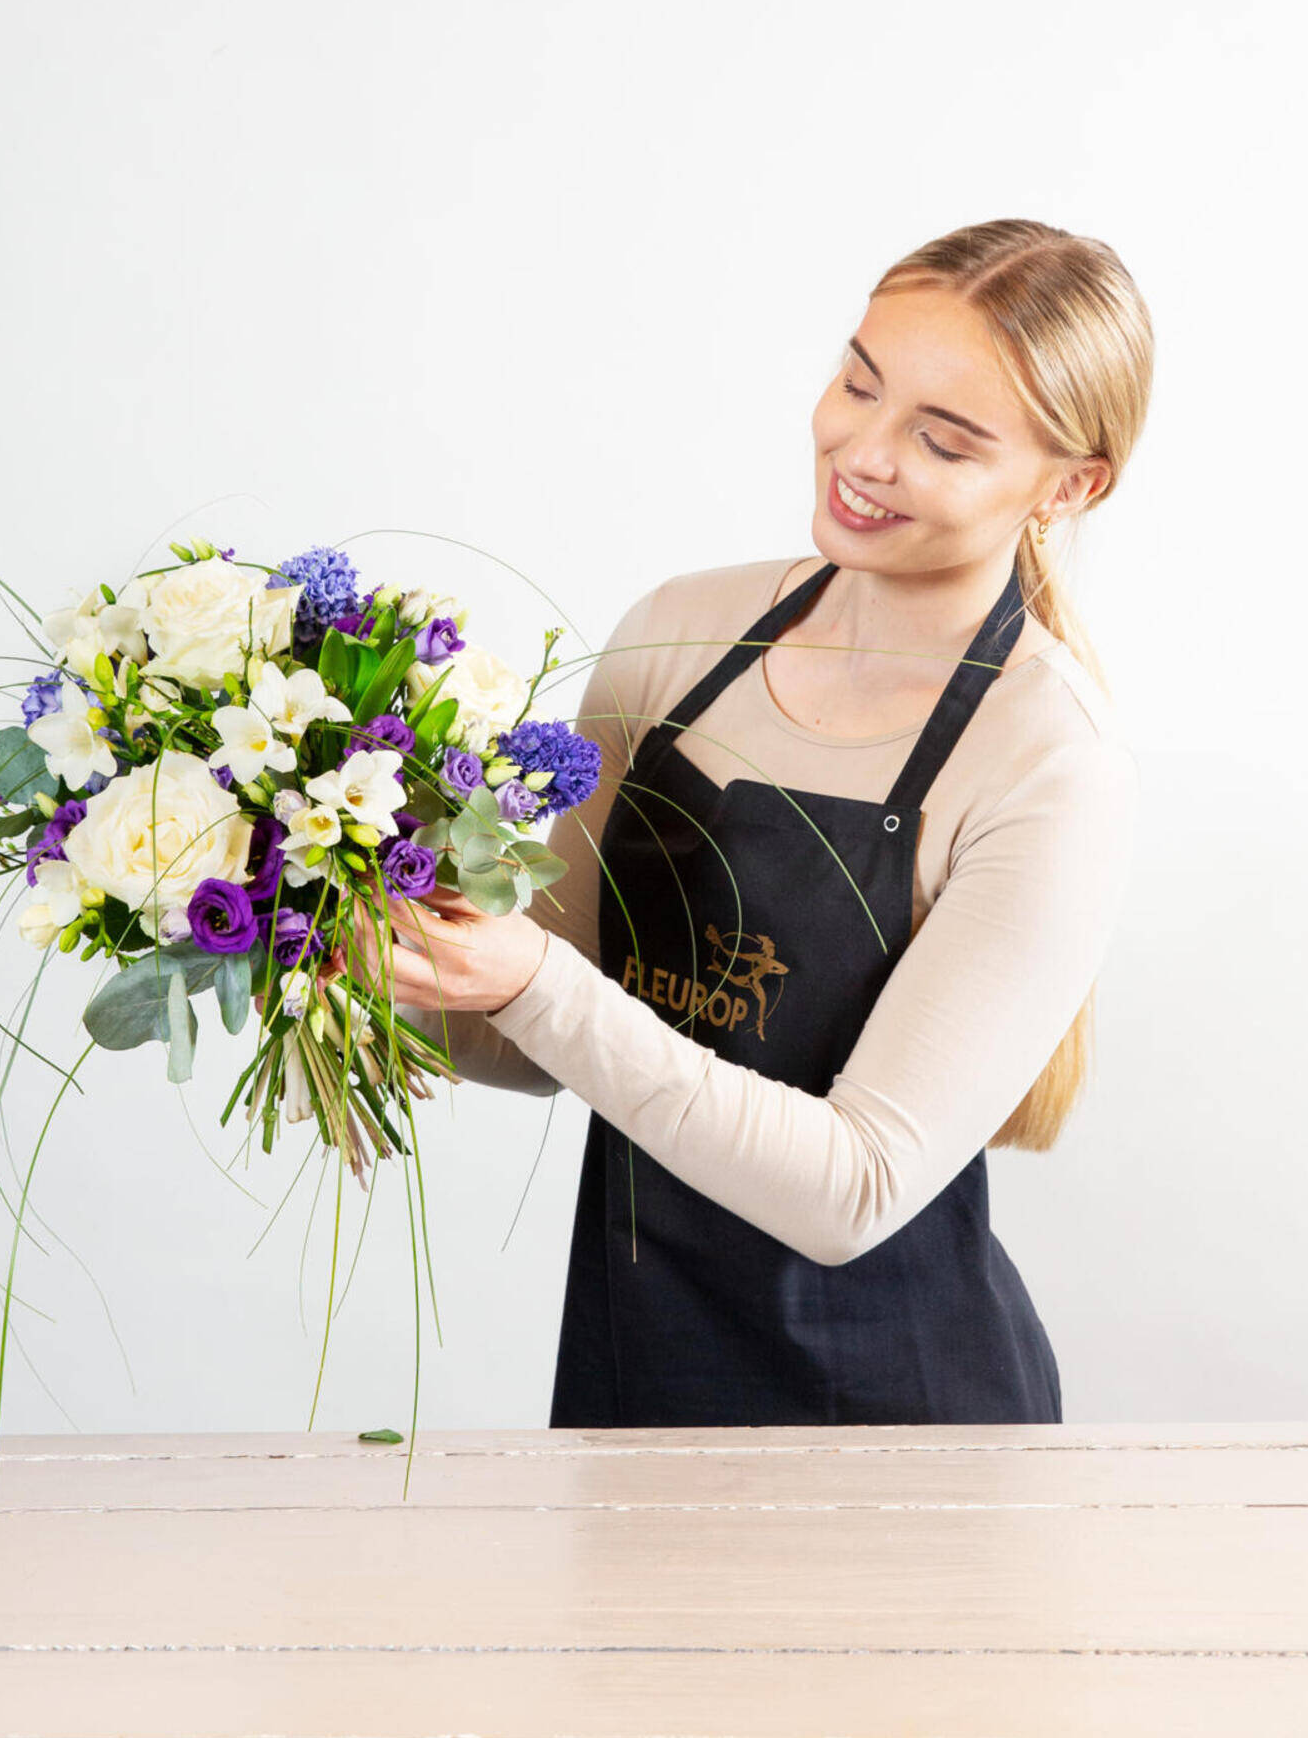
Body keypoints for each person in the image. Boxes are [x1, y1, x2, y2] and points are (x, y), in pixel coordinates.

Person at [345, 217, 1148, 1428]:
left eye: (943, 439)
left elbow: (853, 1188)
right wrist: (332, 934)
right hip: (636, 1380)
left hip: (903, 1430)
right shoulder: (678, 638)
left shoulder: (1047, 760)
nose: (862, 452)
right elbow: (528, 1032)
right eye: (858, 381)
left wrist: (527, 989)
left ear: (1071, 484)